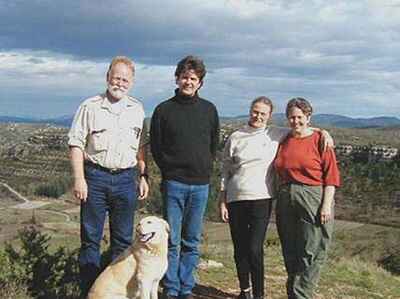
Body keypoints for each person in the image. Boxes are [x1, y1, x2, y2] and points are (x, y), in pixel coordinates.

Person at [219, 96, 333, 299]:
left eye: (263, 113)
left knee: (265, 248)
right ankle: (250, 291)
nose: (258, 116)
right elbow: (225, 169)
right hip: (253, 196)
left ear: (269, 116)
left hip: (274, 197)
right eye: (255, 111)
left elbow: (303, 133)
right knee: (261, 248)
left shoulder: (283, 135)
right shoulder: (243, 136)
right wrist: (222, 198)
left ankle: (281, 294)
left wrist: (323, 131)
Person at [68, 56, 149, 298]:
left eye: (125, 79)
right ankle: (91, 292)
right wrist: (79, 179)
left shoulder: (137, 109)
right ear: (107, 78)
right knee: (90, 241)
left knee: (123, 243)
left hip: (126, 180)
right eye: (117, 78)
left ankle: (116, 293)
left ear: (131, 82)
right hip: (95, 178)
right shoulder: (89, 106)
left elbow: (141, 146)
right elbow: (75, 144)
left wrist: (143, 175)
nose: (120, 83)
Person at [150, 55, 220, 299]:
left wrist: (205, 169)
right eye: (184, 77)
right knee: (172, 241)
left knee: (191, 241)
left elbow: (213, 145)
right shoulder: (163, 110)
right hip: (174, 184)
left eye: (193, 78)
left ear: (200, 82)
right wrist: (169, 170)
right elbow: (156, 147)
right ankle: (170, 288)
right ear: (177, 78)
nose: (188, 82)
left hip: (200, 185)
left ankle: (186, 288)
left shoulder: (209, 110)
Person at [274, 97, 340, 299]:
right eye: (292, 117)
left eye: (300, 117)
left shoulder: (320, 140)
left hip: (313, 195)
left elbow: (331, 177)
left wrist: (326, 206)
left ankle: (302, 294)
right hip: (286, 196)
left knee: (312, 248)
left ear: (308, 117)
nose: (296, 121)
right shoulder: (285, 140)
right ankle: (294, 293)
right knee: (290, 248)